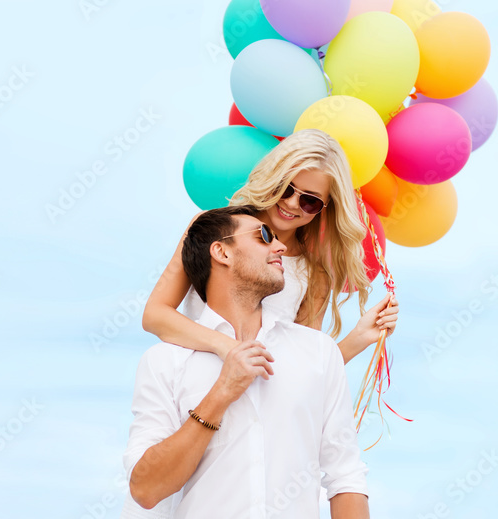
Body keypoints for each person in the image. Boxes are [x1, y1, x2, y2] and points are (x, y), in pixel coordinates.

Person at [123, 206, 370, 518]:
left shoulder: (319, 352)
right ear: (222, 252)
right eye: (264, 236)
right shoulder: (164, 362)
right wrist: (220, 395)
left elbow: (345, 476)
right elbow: (146, 490)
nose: (280, 246)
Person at [142, 129, 398, 366]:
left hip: (263, 408)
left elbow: (305, 368)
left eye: (310, 201)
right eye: (285, 188)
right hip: (194, 389)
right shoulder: (213, 229)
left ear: (325, 208)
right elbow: (155, 315)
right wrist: (227, 348)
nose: (292, 203)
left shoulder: (314, 274)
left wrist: (359, 338)